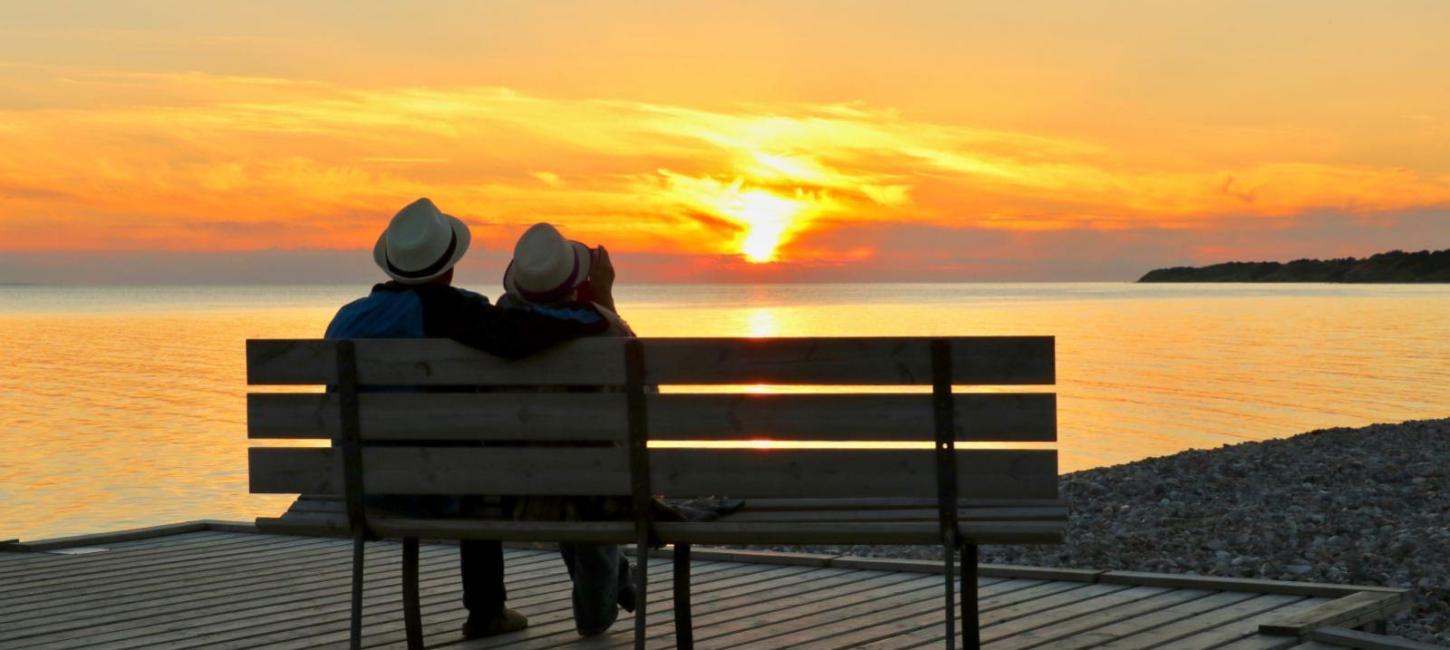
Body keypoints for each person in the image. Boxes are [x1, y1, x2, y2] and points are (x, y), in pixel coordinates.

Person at [324, 198, 615, 640]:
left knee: (464, 458)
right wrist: (595, 307)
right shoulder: (454, 311)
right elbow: (521, 337)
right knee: (473, 461)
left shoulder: (347, 319)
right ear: (450, 264)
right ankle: (486, 612)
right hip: (441, 489)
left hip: (361, 486)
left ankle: (489, 611)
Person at [498, 222, 637, 637]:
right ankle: (600, 607)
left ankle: (620, 580)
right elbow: (646, 398)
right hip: (596, 491)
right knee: (590, 470)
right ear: (578, 282)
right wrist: (606, 300)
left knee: (559, 463)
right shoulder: (605, 330)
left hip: (517, 490)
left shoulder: (494, 332)